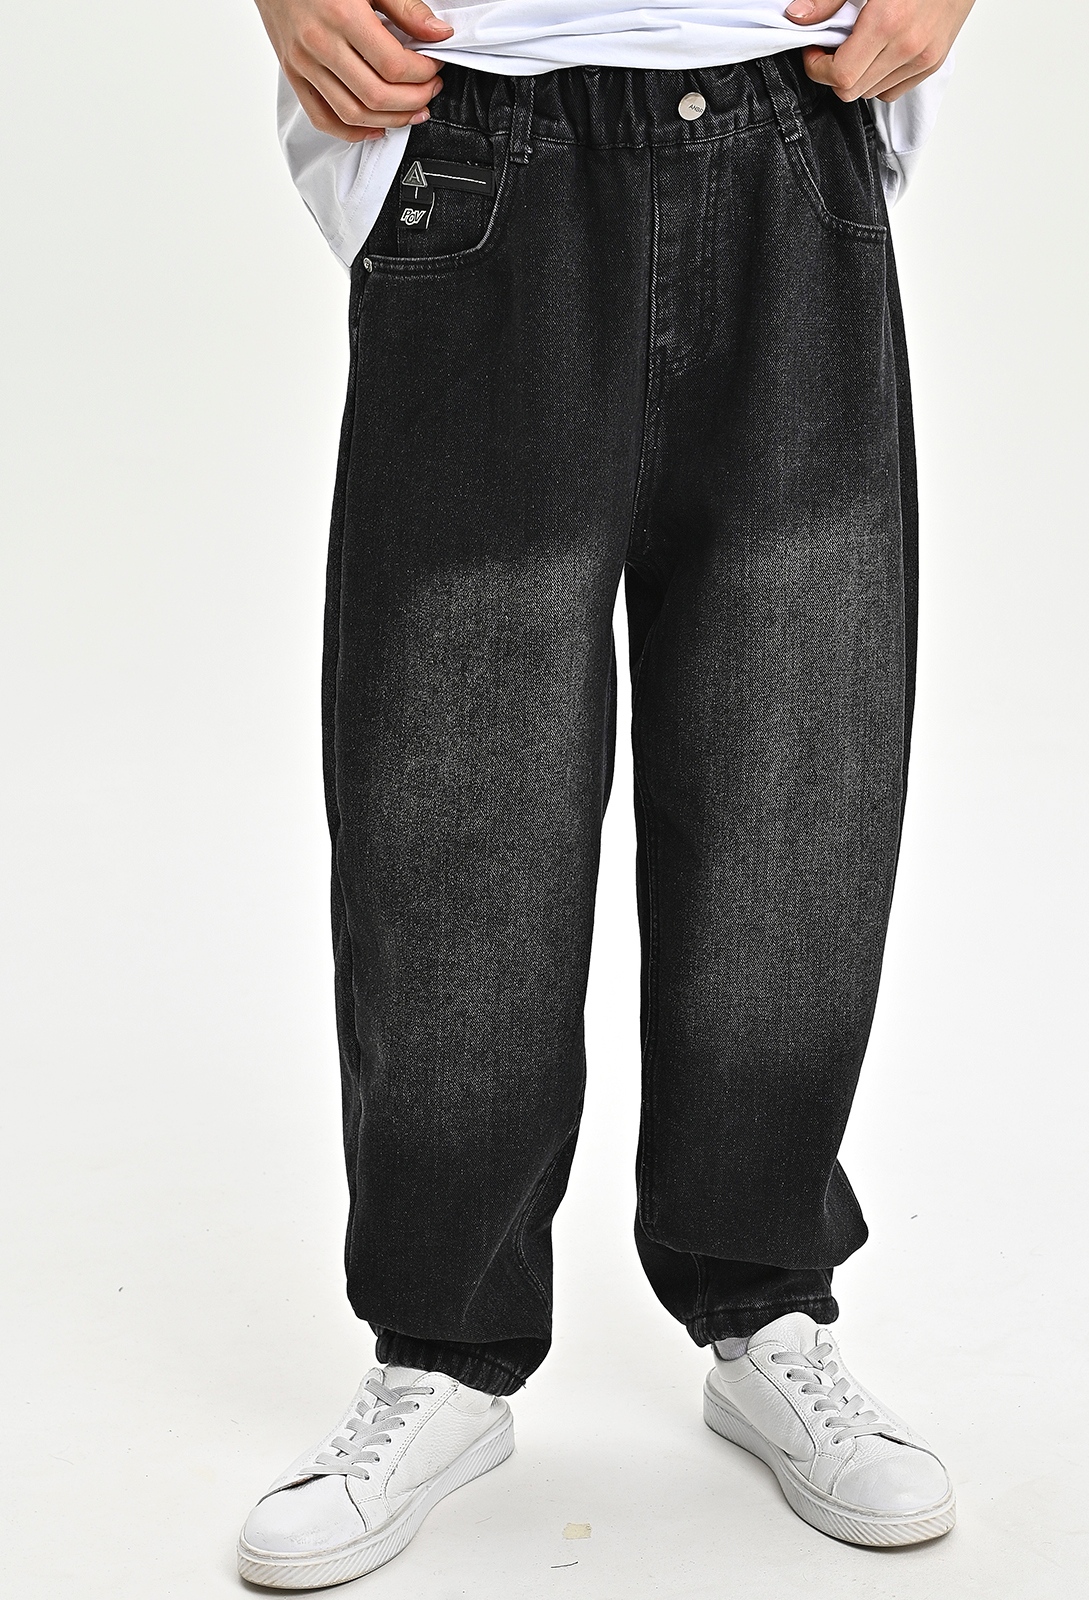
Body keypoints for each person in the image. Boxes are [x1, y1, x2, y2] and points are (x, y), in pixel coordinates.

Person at [238, 0, 975, 1586]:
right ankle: (442, 1349)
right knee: (453, 805)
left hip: (790, 123)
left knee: (796, 773)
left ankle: (765, 1300)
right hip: (474, 127)